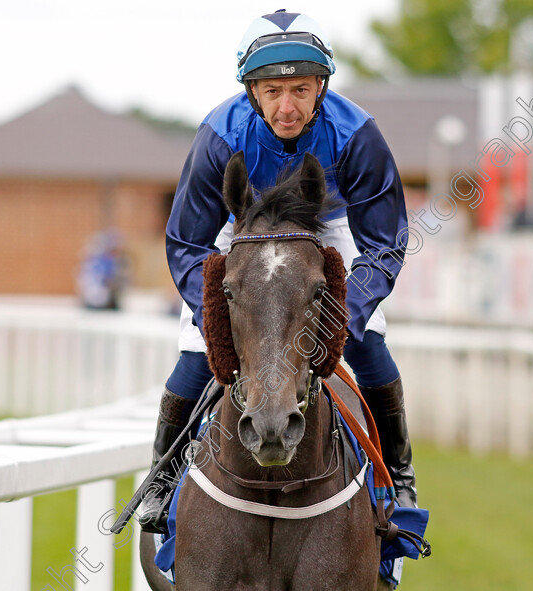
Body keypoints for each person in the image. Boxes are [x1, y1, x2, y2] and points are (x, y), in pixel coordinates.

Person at [141, 10, 417, 546]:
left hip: (327, 227)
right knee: (198, 353)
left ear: (322, 88)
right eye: (272, 91)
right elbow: (186, 243)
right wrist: (218, 320)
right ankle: (163, 475)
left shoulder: (358, 135)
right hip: (236, 229)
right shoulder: (218, 136)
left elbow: (384, 242)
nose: (286, 107)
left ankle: (398, 480)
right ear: (252, 91)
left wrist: (344, 316)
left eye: (300, 90)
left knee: (368, 345)